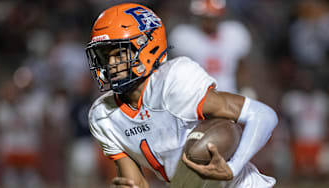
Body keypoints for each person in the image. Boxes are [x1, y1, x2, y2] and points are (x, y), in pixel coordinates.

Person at [86, 3, 278, 188]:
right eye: (104, 56)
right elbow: (135, 182)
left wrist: (233, 167)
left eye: (119, 54)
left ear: (147, 47)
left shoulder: (174, 81)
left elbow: (263, 115)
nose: (110, 65)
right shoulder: (103, 116)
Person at [170, 0, 255, 97]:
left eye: (213, 17)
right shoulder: (185, 36)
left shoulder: (233, 33)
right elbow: (180, 72)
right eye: (205, 18)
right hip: (198, 98)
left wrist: (246, 88)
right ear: (197, 17)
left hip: (230, 96)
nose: (209, 22)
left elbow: (241, 67)